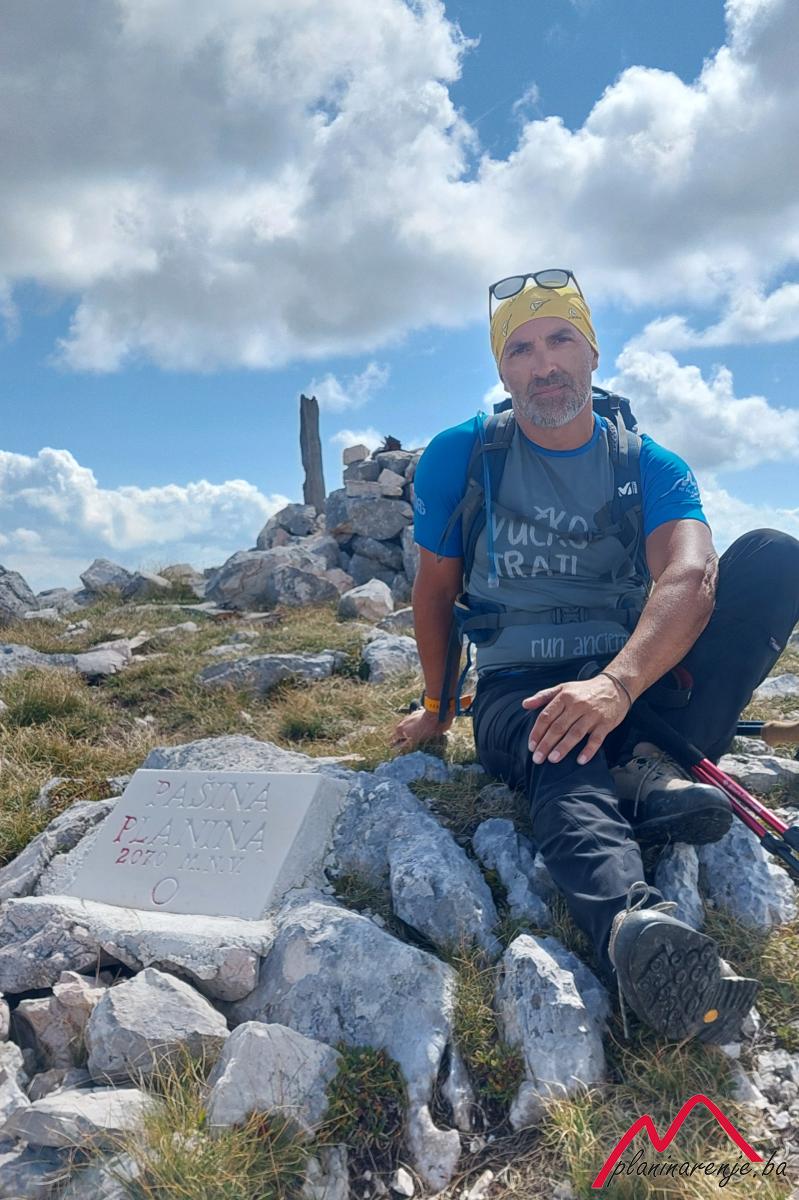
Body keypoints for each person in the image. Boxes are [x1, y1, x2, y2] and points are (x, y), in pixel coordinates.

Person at [392, 268, 799, 1043]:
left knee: (773, 556)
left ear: (591, 353)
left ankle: (644, 766)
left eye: (559, 339)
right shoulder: (463, 456)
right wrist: (438, 710)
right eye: (519, 349)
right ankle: (632, 927)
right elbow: (435, 590)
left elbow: (689, 574)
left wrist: (615, 685)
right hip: (521, 687)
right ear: (501, 371)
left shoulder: (647, 463)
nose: (542, 363)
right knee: (563, 742)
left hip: (637, 679)